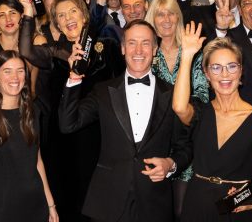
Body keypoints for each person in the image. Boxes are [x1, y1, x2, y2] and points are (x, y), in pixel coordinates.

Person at [59, 20, 191, 222]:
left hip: (154, 203)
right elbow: (68, 124)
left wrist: (170, 164)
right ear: (122, 48)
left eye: (145, 43)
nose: (138, 50)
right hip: (108, 202)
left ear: (155, 49)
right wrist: (75, 75)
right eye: (131, 43)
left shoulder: (174, 95)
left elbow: (185, 147)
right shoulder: (103, 91)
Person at [20, 0, 124, 222]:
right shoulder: (55, 52)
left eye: (72, 11)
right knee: (68, 202)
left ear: (84, 16)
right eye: (61, 16)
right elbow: (26, 51)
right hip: (63, 140)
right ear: (57, 25)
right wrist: (28, 13)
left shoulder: (106, 47)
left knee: (100, 203)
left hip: (102, 137)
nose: (68, 18)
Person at [172, 28, 252, 221]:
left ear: (241, 71)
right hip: (196, 204)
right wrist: (186, 55)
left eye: (232, 66)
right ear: (207, 74)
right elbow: (178, 107)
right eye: (216, 67)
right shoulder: (200, 112)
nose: (225, 74)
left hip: (236, 207)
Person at [0, 51, 58, 222]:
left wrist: (50, 204)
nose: (15, 77)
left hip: (35, 204)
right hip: (0, 207)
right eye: (7, 71)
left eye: (20, 71)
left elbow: (37, 161)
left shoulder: (33, 111)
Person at [145, 0, 209, 217]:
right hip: (155, 142)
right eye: (160, 14)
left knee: (183, 211)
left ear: (178, 17)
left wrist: (184, 110)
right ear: (152, 19)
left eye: (171, 13)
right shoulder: (146, 53)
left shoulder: (193, 51)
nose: (166, 19)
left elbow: (202, 95)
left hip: (189, 140)